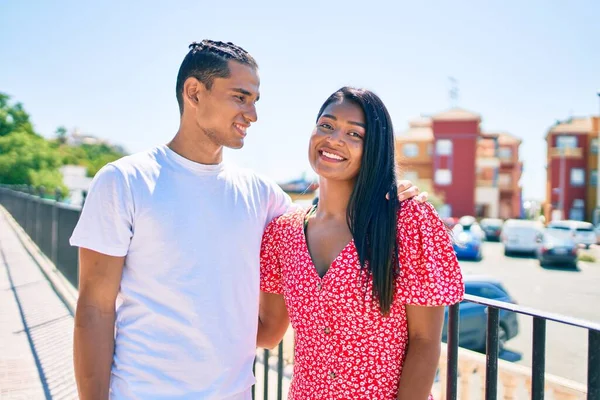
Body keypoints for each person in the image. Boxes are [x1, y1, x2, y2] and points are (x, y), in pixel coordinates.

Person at [70, 41, 424, 400]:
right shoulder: (124, 181)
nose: (252, 114)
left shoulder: (264, 197)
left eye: (255, 100)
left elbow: (274, 322)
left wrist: (389, 194)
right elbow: (94, 308)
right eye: (240, 97)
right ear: (194, 92)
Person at [257, 87, 464, 399]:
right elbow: (269, 331)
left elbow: (425, 342)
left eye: (355, 134)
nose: (335, 139)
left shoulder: (407, 222)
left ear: (375, 149)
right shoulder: (282, 234)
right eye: (326, 125)